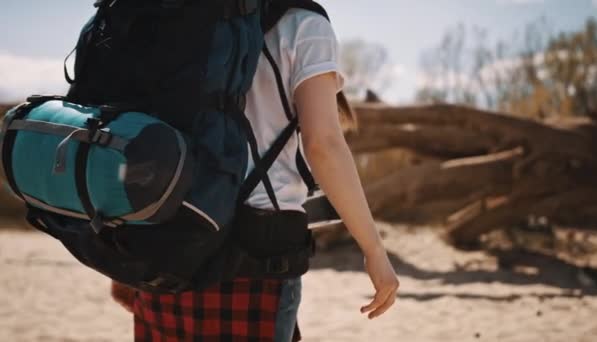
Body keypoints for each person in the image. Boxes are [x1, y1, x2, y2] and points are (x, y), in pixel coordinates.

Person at [111, 5, 399, 341]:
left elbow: (138, 140)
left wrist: (123, 263)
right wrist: (374, 250)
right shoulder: (303, 23)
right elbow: (323, 144)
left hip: (165, 247)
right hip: (260, 253)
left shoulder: (172, 16)